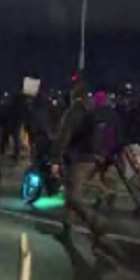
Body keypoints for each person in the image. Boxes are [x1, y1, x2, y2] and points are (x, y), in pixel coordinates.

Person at [49, 80, 107, 240]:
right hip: (94, 157)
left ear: (75, 96)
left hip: (80, 158)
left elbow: (63, 137)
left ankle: (95, 221)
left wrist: (54, 160)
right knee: (71, 190)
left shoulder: (73, 112)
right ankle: (66, 230)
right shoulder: (92, 111)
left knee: (72, 197)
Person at [88, 91, 122, 209]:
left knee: (91, 174)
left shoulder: (96, 114)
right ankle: (103, 198)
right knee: (103, 174)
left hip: (100, 150)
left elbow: (94, 134)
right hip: (112, 149)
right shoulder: (114, 114)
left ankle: (106, 194)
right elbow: (118, 131)